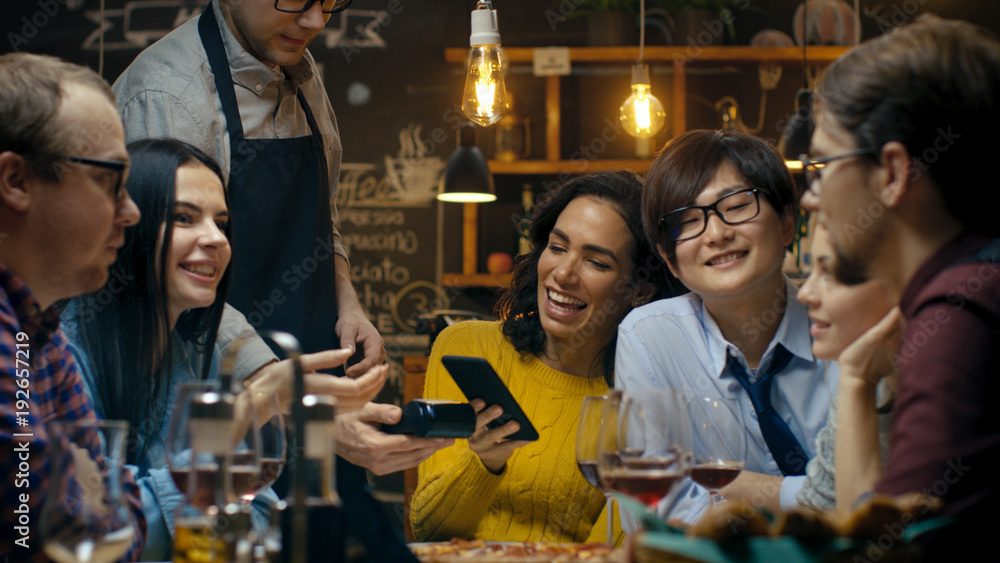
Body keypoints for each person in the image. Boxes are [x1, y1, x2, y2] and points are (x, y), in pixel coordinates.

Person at [111, 1, 447, 558]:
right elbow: (167, 275)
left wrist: (349, 303)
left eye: (330, 2)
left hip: (315, 390)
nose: (316, 22)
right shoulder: (167, 94)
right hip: (225, 413)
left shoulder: (303, 76)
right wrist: (293, 400)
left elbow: (325, 218)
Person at [60, 138, 387, 560]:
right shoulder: (58, 352)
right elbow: (87, 530)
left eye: (222, 222)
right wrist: (245, 412)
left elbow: (256, 506)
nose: (215, 238)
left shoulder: (203, 348)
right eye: (183, 217)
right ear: (126, 226)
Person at [802, 15, 1000, 555]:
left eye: (821, 165)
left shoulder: (957, 315)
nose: (809, 197)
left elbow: (891, 553)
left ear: (891, 174)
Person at [411, 171, 679, 544]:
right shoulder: (467, 347)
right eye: (557, 247)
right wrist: (484, 463)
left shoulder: (640, 402)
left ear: (639, 290)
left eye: (596, 262)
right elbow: (427, 528)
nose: (564, 274)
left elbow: (613, 553)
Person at [616, 129, 837, 524]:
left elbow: (877, 493)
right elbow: (653, 513)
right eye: (687, 221)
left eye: (736, 206)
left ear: (788, 222)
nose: (717, 234)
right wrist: (810, 496)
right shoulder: (650, 338)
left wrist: (740, 488)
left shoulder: (843, 325)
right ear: (670, 260)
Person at [0, 52, 146, 561]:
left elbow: (122, 521)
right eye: (111, 180)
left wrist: (85, 484)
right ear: (16, 181)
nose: (132, 212)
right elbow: (39, 530)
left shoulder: (40, 329)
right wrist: (84, 486)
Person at [794, 225, 898, 511]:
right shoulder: (867, 378)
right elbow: (819, 514)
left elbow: (876, 544)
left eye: (832, 274)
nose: (805, 294)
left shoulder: (959, 387)